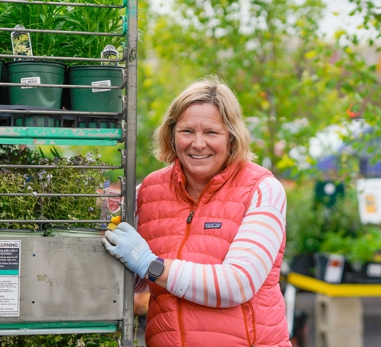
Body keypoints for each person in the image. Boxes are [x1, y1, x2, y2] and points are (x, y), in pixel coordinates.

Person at [102, 76, 290, 347]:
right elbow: (139, 281)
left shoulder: (262, 190)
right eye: (187, 131)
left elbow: (238, 283)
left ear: (232, 137)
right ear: (171, 133)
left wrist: (150, 264)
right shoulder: (149, 191)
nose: (198, 144)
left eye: (211, 132)